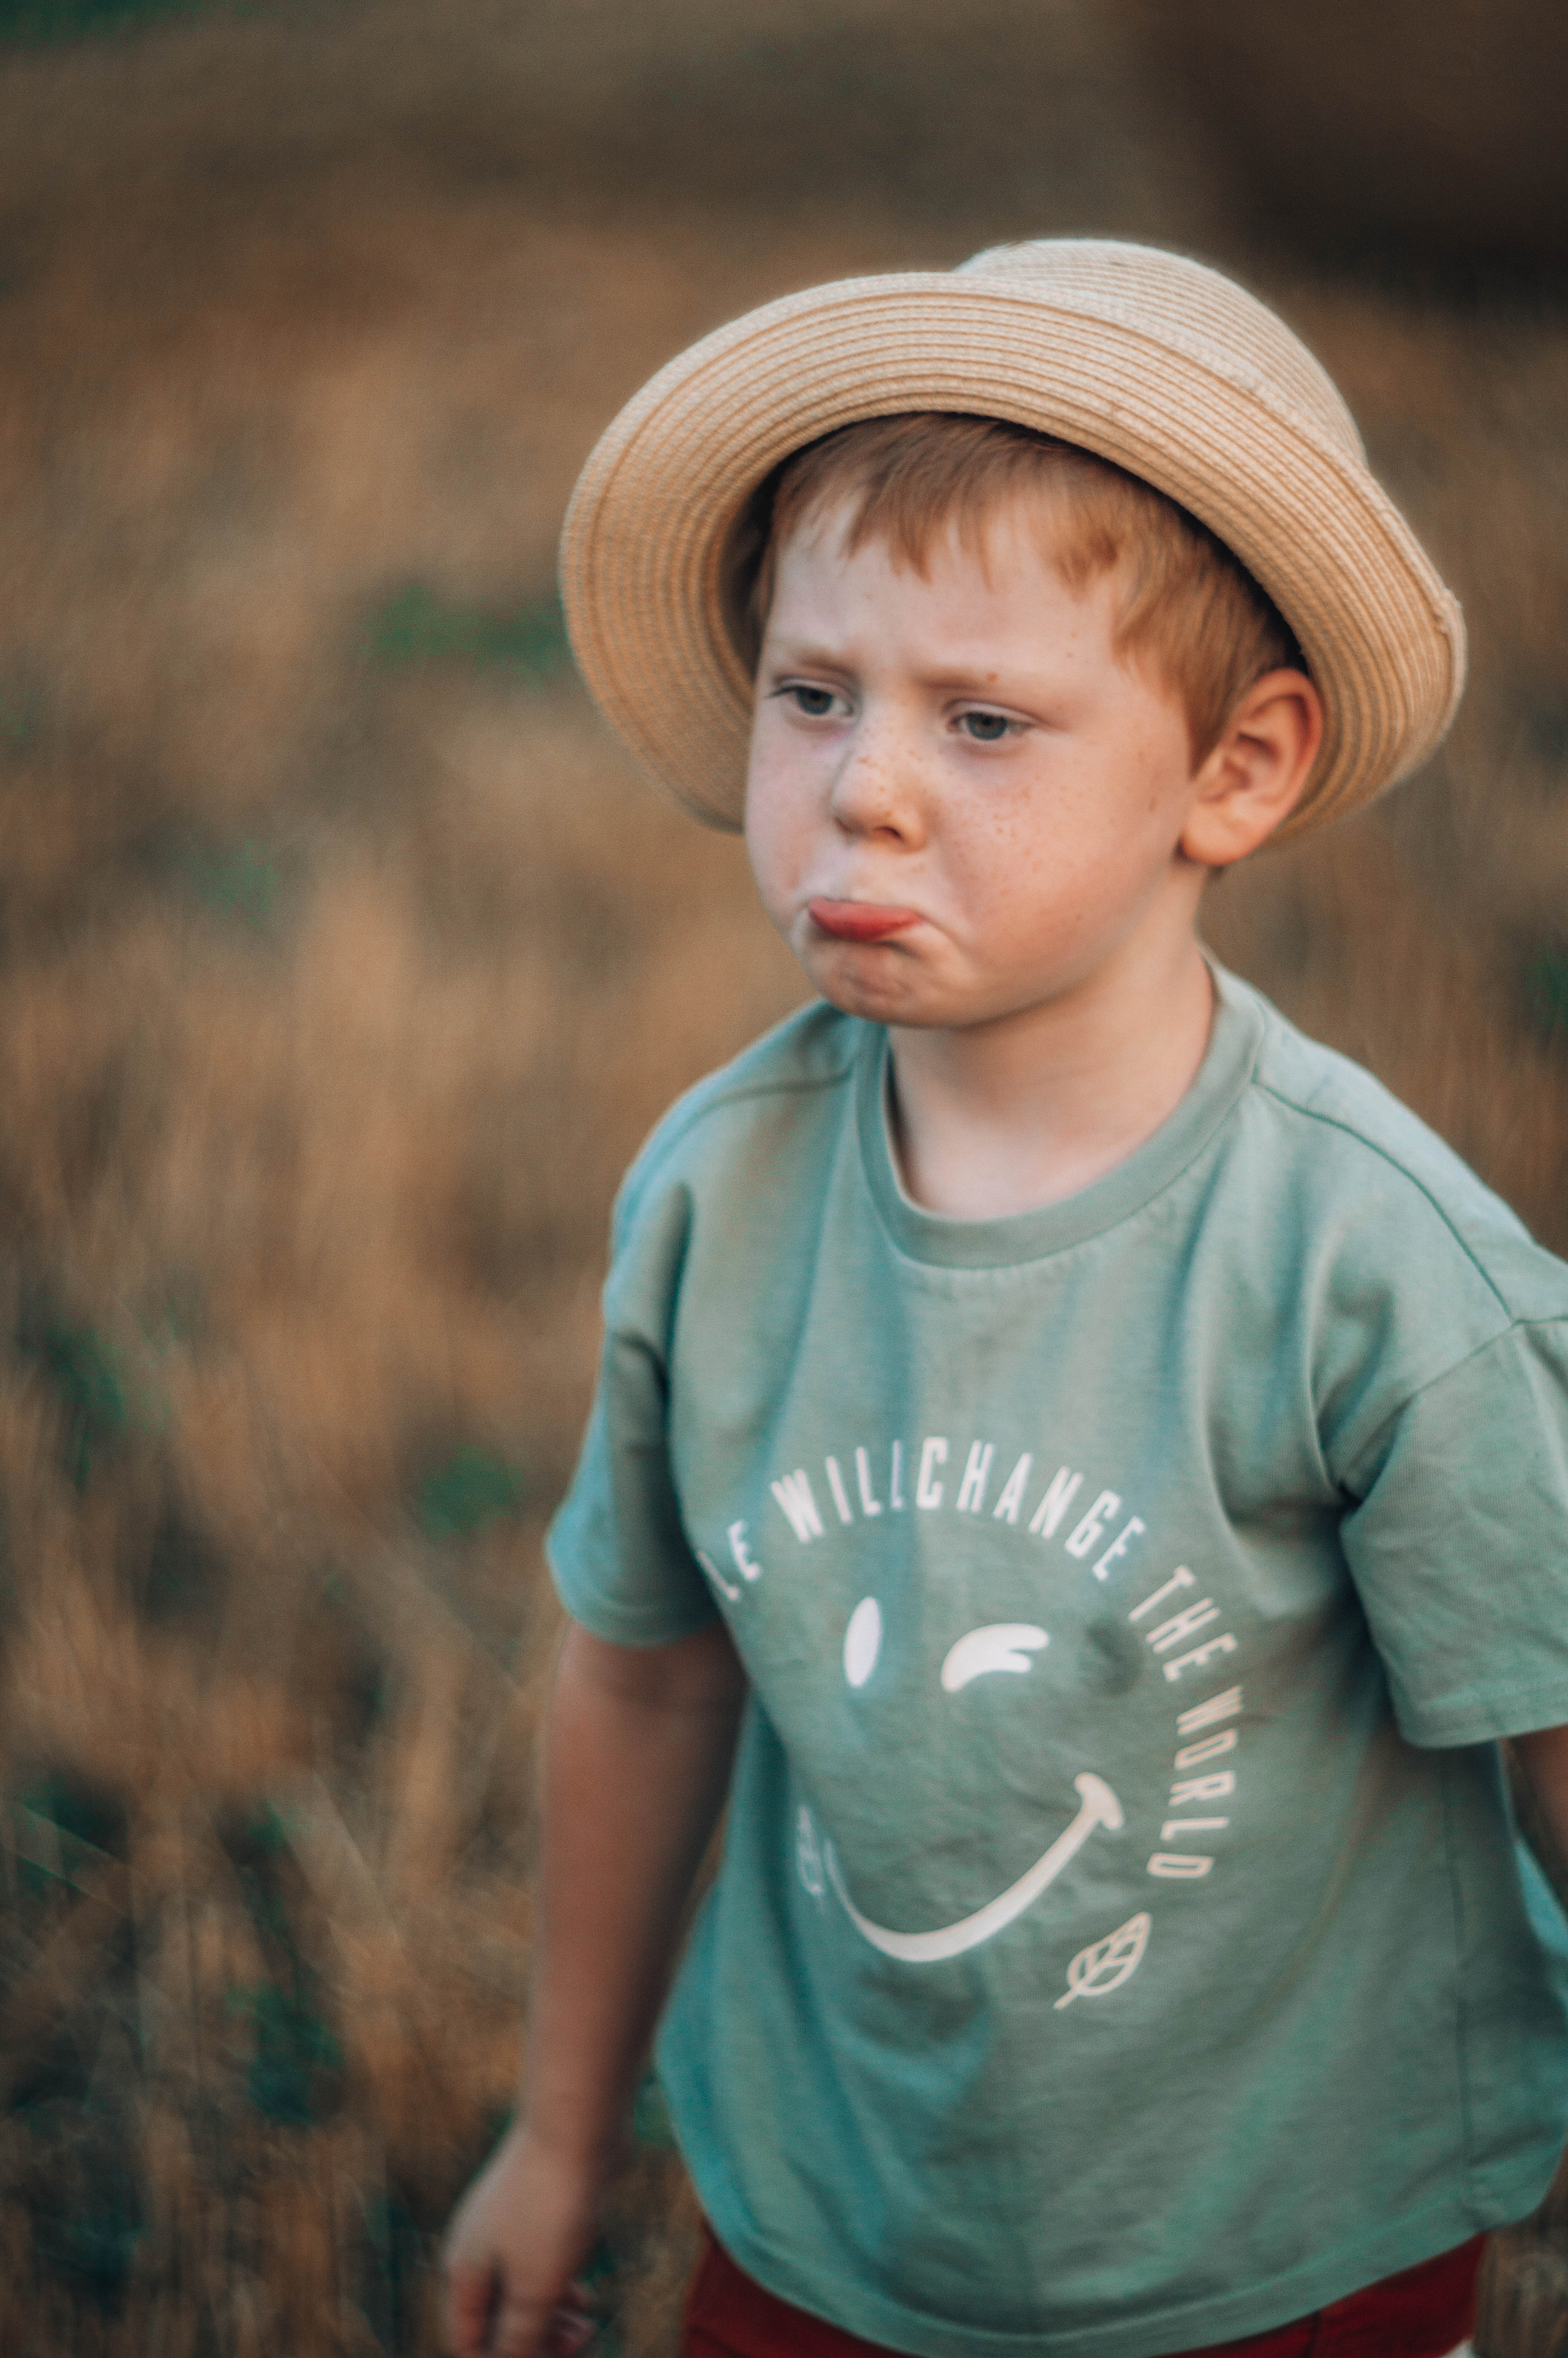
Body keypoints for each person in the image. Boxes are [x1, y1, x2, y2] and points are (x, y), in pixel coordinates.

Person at [443, 240, 1568, 2358]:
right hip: (827, 2229)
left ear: (1235, 772)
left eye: (981, 719)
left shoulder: (1368, 1268)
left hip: (1286, 2253)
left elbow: (1555, 1741)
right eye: (814, 692)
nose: (865, 783)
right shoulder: (717, 1196)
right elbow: (651, 1676)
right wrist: (561, 2130)